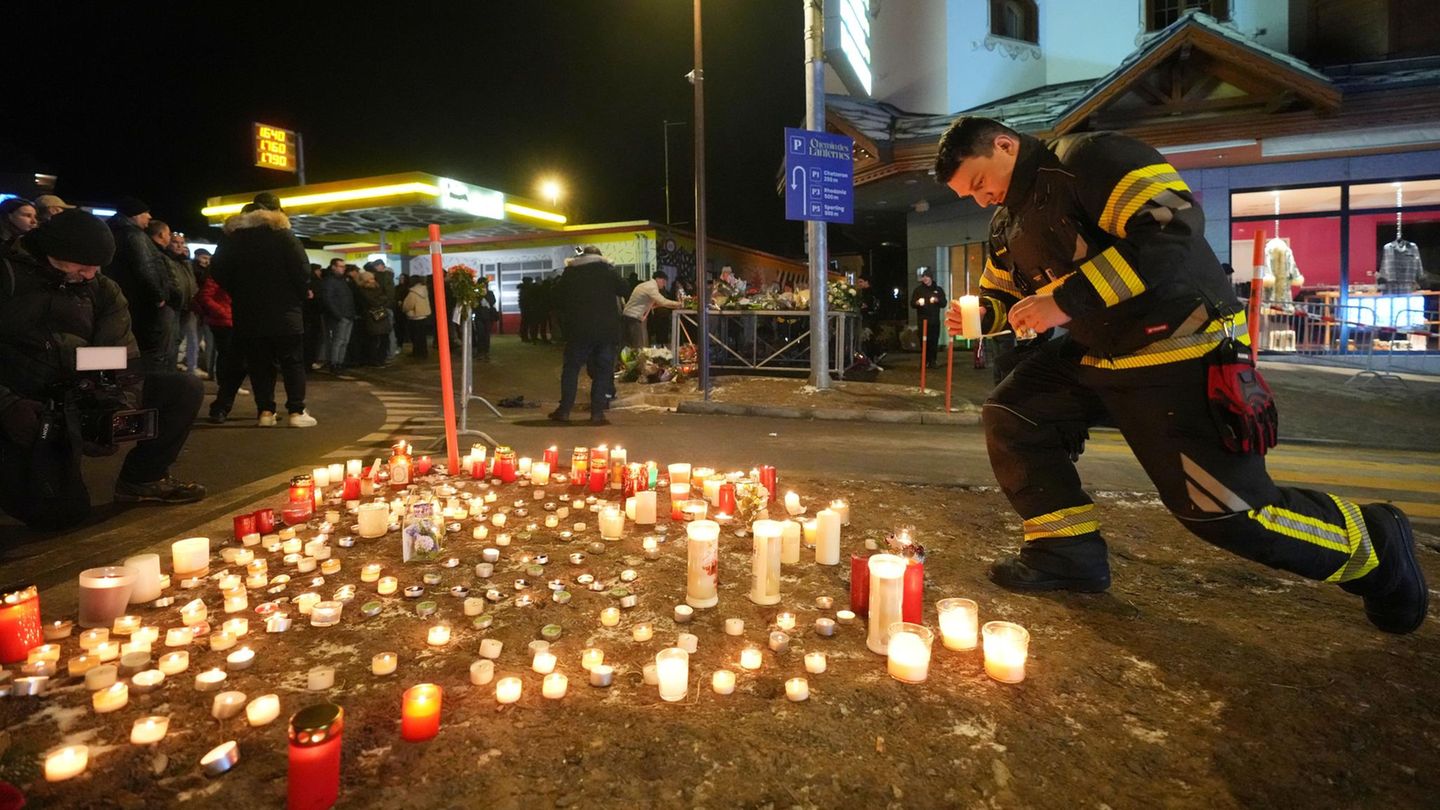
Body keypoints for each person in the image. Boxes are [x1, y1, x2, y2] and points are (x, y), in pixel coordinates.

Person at [933, 115, 1425, 634]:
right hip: (1100, 352)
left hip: (1182, 348)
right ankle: (1066, 553)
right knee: (1014, 413)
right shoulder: (1006, 224)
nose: (982, 199)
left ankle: (1372, 543)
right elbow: (1006, 294)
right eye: (970, 194)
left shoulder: (1092, 158)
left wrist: (1064, 301)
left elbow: (1173, 224)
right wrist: (982, 316)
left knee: (1225, 512)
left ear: (1005, 145)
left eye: (980, 182)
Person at [0, 210, 205, 529]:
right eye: (82, 266)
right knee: (59, 515)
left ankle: (143, 479)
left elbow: (115, 355)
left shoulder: (102, 289)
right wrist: (7, 404)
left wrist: (114, 406)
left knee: (182, 388)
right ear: (51, 252)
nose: (90, 274)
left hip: (72, 393)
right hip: (20, 400)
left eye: (97, 266)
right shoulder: (8, 277)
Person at [210, 198, 316, 427]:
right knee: (292, 362)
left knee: (260, 365)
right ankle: (296, 411)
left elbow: (217, 268)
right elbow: (301, 269)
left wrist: (238, 290)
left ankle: (266, 412)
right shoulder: (283, 234)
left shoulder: (234, 238)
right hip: (285, 311)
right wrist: (300, 293)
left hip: (248, 312)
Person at [549, 246, 627, 426]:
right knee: (602, 371)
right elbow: (624, 288)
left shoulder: (571, 272)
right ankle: (597, 413)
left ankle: (564, 410)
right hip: (606, 331)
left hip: (579, 330)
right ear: (600, 257)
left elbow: (556, 296)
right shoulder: (607, 271)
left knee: (571, 369)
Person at [103, 197, 176, 374]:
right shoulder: (134, 235)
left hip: (120, 298)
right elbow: (146, 268)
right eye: (145, 213)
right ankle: (149, 385)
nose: (149, 217)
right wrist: (159, 296)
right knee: (149, 349)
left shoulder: (110, 231)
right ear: (134, 215)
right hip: (141, 303)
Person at [195, 252, 248, 424]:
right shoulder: (220, 275)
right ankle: (222, 402)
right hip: (225, 322)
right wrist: (224, 312)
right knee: (232, 360)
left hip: (237, 321)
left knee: (234, 360)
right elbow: (205, 296)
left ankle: (265, 408)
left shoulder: (235, 274)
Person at [621, 270, 683, 349]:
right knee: (637, 346)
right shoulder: (651, 287)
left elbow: (655, 304)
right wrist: (680, 304)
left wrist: (675, 305)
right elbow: (663, 301)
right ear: (658, 279)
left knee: (635, 345)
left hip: (631, 316)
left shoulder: (647, 285)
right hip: (633, 318)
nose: (664, 284)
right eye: (663, 282)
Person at [318, 258, 356, 373]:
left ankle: (339, 363)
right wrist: (338, 315)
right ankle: (334, 363)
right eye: (341, 266)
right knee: (338, 341)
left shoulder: (341, 280)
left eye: (344, 267)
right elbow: (328, 300)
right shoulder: (330, 281)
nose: (343, 269)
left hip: (347, 315)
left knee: (344, 341)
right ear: (333, 267)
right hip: (341, 316)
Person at [354, 270, 393, 366]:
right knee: (374, 339)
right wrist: (381, 300)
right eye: (371, 279)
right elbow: (373, 301)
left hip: (380, 315)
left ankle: (382, 358)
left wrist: (381, 300)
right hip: (372, 316)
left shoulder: (376, 288)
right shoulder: (363, 291)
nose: (373, 280)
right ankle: (375, 359)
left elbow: (385, 298)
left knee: (384, 338)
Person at [911, 268, 945, 368]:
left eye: (927, 277)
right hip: (922, 320)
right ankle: (924, 361)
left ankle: (933, 361)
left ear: (931, 277)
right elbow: (912, 303)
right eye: (923, 277)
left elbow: (944, 303)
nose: (925, 279)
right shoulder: (918, 290)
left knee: (934, 341)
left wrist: (937, 300)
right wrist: (917, 303)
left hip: (934, 321)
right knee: (923, 341)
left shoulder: (938, 289)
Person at [402, 276, 433, 358]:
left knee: (415, 337)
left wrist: (403, 308)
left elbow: (408, 305)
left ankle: (417, 353)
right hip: (423, 316)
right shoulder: (424, 290)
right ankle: (423, 352)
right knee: (422, 337)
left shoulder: (413, 293)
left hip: (414, 316)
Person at [518, 276, 537, 342]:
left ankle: (524, 336)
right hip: (527, 309)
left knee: (525, 323)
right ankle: (525, 337)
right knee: (527, 323)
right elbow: (527, 299)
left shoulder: (523, 289)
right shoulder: (526, 290)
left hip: (525, 309)